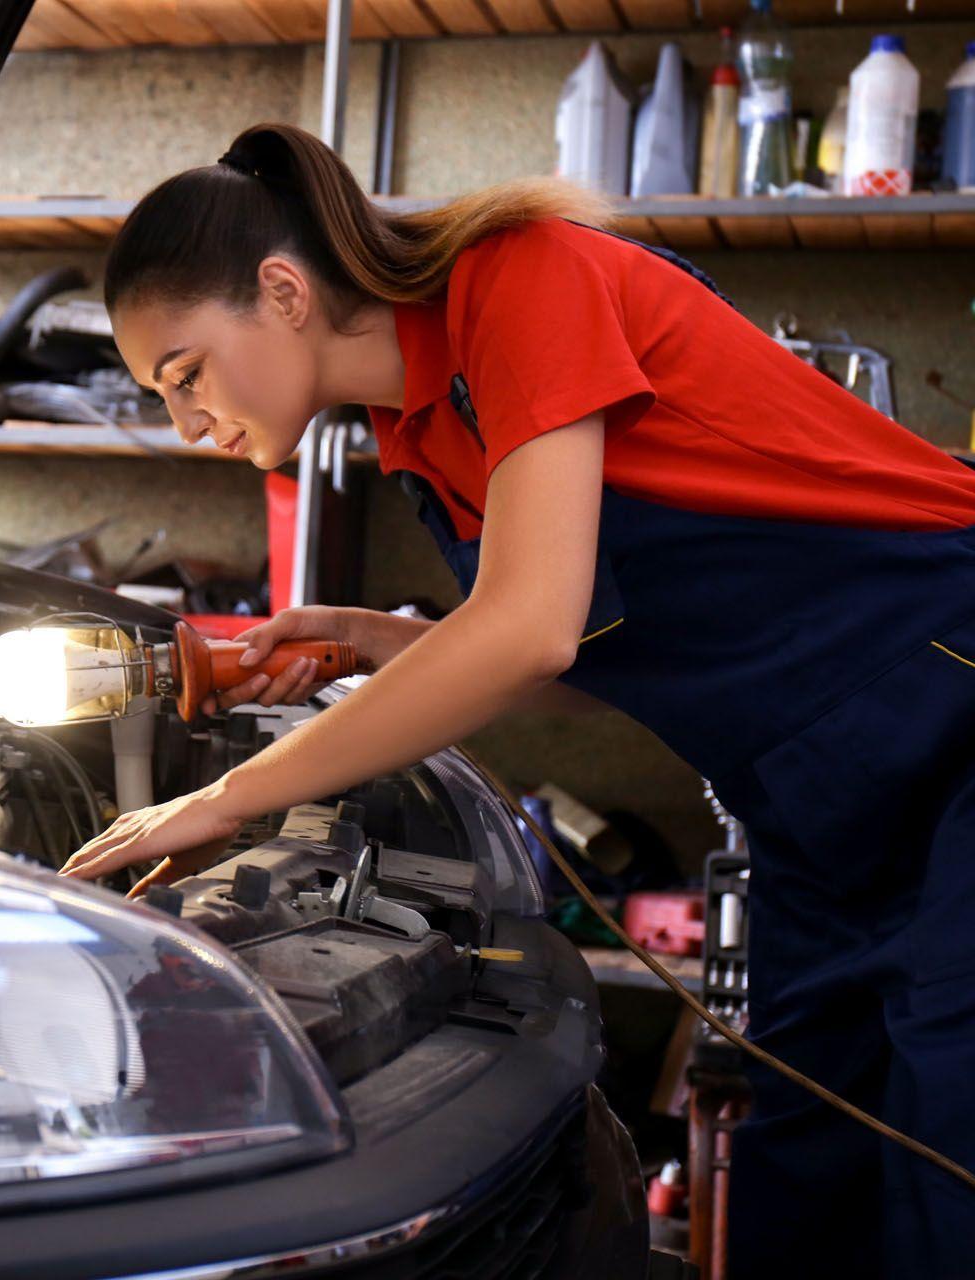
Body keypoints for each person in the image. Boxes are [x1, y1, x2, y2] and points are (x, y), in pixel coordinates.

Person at [58, 120, 975, 1276]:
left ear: (282, 291)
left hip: (953, 702)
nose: (187, 421)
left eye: (185, 374)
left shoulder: (526, 278)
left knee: (951, 1129)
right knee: (810, 1154)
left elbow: (531, 628)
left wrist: (228, 799)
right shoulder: (416, 425)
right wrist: (381, 643)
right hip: (818, 788)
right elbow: (609, 637)